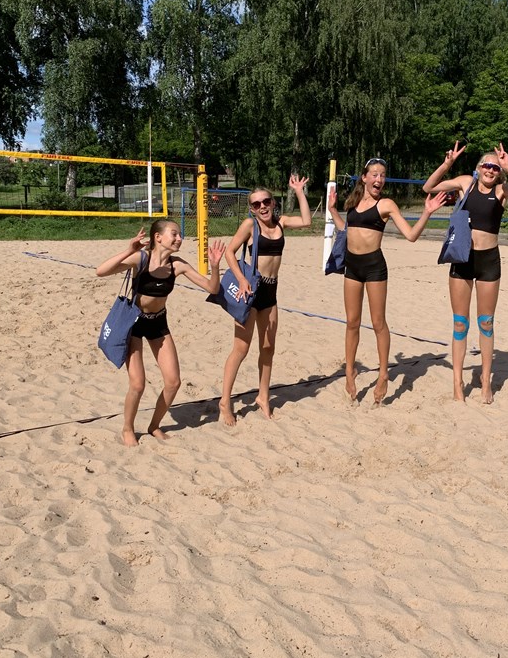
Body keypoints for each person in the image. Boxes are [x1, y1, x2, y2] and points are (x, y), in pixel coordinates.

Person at [422, 142, 508, 404]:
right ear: (478, 168)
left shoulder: (502, 190)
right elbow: (429, 187)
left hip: (488, 260)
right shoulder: (466, 183)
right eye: (487, 165)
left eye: (495, 167)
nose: (490, 170)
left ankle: (486, 381)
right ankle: (457, 383)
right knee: (460, 323)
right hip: (462, 258)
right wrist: (447, 164)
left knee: (486, 322)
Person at [96, 219, 225, 446]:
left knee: (173, 382)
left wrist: (215, 266)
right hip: (134, 323)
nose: (179, 238)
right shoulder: (141, 259)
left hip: (158, 323)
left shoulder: (178, 265)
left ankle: (154, 426)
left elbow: (212, 288)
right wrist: (129, 250)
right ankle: (127, 428)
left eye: (180, 235)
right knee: (138, 384)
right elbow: (101, 271)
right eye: (174, 234)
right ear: (158, 237)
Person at [328, 158, 445, 405]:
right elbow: (347, 230)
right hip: (352, 266)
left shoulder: (386, 204)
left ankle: (383, 374)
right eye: (374, 174)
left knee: (378, 322)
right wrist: (332, 211)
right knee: (352, 322)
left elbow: (411, 235)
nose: (379, 179)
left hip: (374, 267)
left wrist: (427, 212)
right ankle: (349, 371)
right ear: (364, 177)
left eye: (382, 175)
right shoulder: (353, 202)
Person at [219, 174, 311, 425]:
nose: (262, 206)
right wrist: (241, 279)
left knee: (268, 348)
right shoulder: (250, 226)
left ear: (273, 203)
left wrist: (299, 191)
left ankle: (263, 396)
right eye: (257, 204)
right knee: (241, 349)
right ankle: (225, 401)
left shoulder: (281, 223)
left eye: (266, 201)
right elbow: (229, 252)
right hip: (251, 292)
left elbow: (306, 221)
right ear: (251, 208)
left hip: (271, 292)